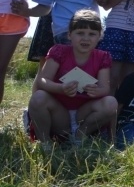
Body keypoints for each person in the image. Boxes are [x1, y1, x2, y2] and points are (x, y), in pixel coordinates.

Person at [27, 10, 116, 147]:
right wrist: (61, 88)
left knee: (111, 102)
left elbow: (105, 88)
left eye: (92, 34)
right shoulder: (59, 51)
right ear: (69, 35)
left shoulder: (103, 56)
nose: (86, 38)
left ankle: (79, 136)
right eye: (80, 33)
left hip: (85, 114)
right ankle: (45, 143)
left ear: (100, 37)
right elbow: (42, 80)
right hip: (58, 113)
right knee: (38, 97)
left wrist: (96, 91)